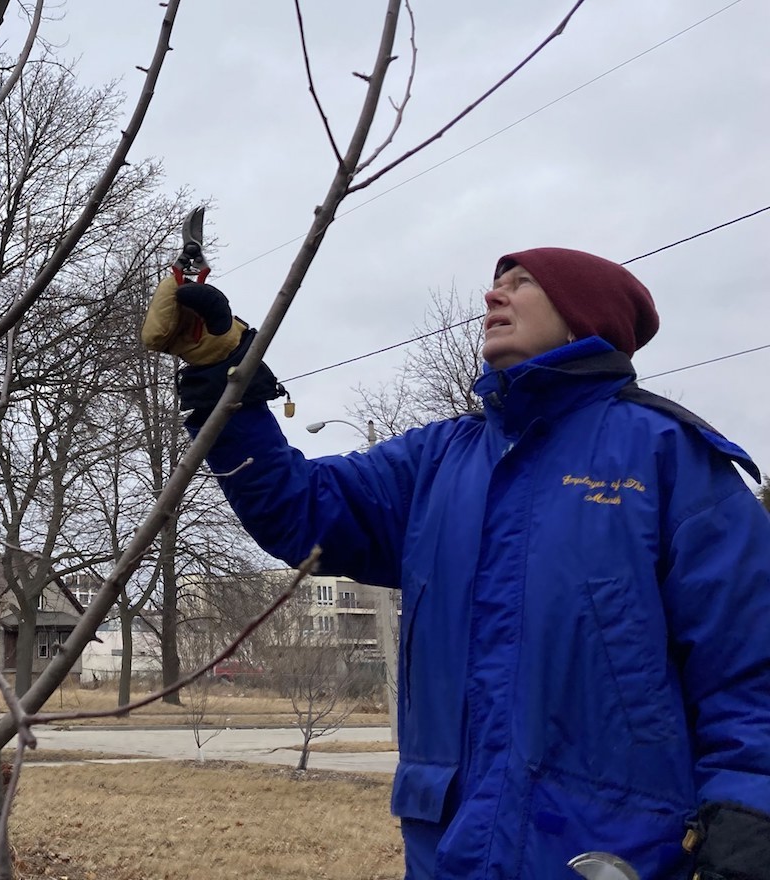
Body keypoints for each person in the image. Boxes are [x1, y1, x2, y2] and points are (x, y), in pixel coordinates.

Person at [150, 247, 770, 880]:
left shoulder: (670, 460)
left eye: (521, 284)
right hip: (450, 850)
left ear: (587, 315)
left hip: (614, 855)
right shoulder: (439, 460)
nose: (492, 297)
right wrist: (226, 367)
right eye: (494, 284)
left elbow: (747, 668)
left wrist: (751, 824)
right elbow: (298, 508)